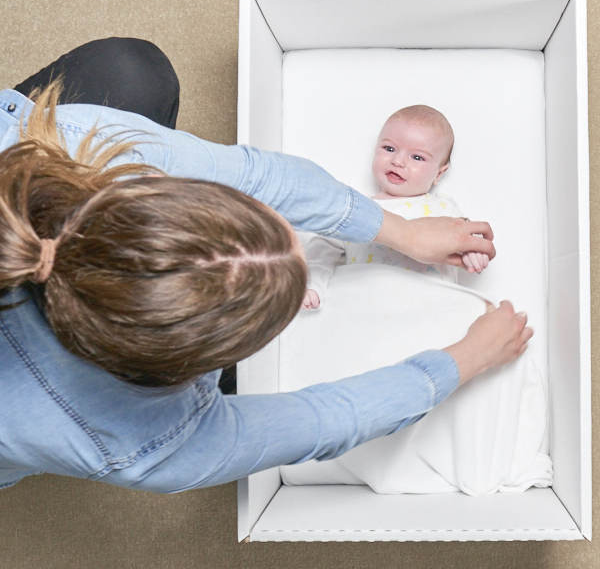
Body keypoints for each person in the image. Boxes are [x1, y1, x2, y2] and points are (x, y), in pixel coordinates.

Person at [0, 37, 532, 493]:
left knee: (131, 71)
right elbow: (327, 420)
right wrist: (462, 360)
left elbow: (259, 177)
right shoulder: (146, 442)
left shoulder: (65, 144)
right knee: (267, 377)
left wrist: (403, 232)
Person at [301, 104, 489, 311]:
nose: (398, 161)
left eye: (417, 157)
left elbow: (466, 235)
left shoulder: (442, 207)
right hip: (369, 307)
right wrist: (312, 285)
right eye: (389, 149)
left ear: (439, 173)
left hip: (430, 307)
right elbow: (321, 249)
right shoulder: (357, 209)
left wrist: (472, 251)